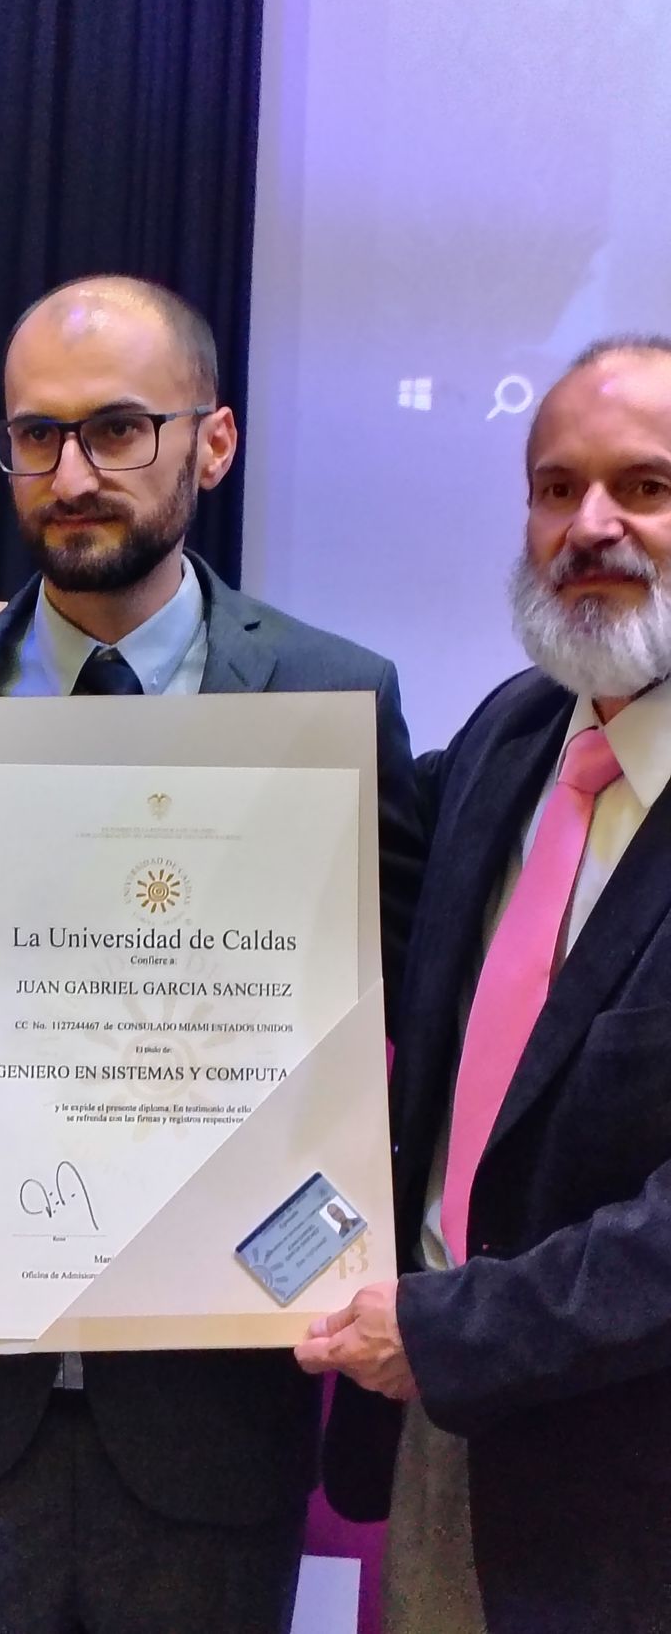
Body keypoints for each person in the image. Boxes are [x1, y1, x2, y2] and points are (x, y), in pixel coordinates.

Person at [0, 275, 424, 1633]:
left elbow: (401, 1008)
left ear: (212, 442)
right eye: (36, 435)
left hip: (212, 1419)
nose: (72, 473)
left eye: (116, 429)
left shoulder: (334, 695)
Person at [302, 336, 671, 1633]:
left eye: (645, 487)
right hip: (445, 1452)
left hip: (635, 1498)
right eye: (555, 488)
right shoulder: (511, 736)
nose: (591, 525)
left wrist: (460, 1333)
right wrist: (40, 685)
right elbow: (269, 844)